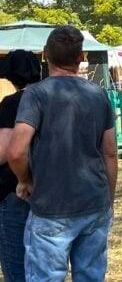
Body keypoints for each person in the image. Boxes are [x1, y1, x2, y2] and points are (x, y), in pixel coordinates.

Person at [7, 25, 118, 280]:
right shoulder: (99, 94)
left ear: (45, 54)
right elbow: (110, 154)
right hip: (94, 202)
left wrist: (25, 180)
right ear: (81, 57)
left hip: (50, 206)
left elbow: (16, 152)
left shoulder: (36, 95)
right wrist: (108, 200)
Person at [0, 50, 40, 281]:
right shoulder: (49, 99)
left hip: (14, 188)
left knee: (16, 261)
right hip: (47, 185)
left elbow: (5, 151)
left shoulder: (12, 103)